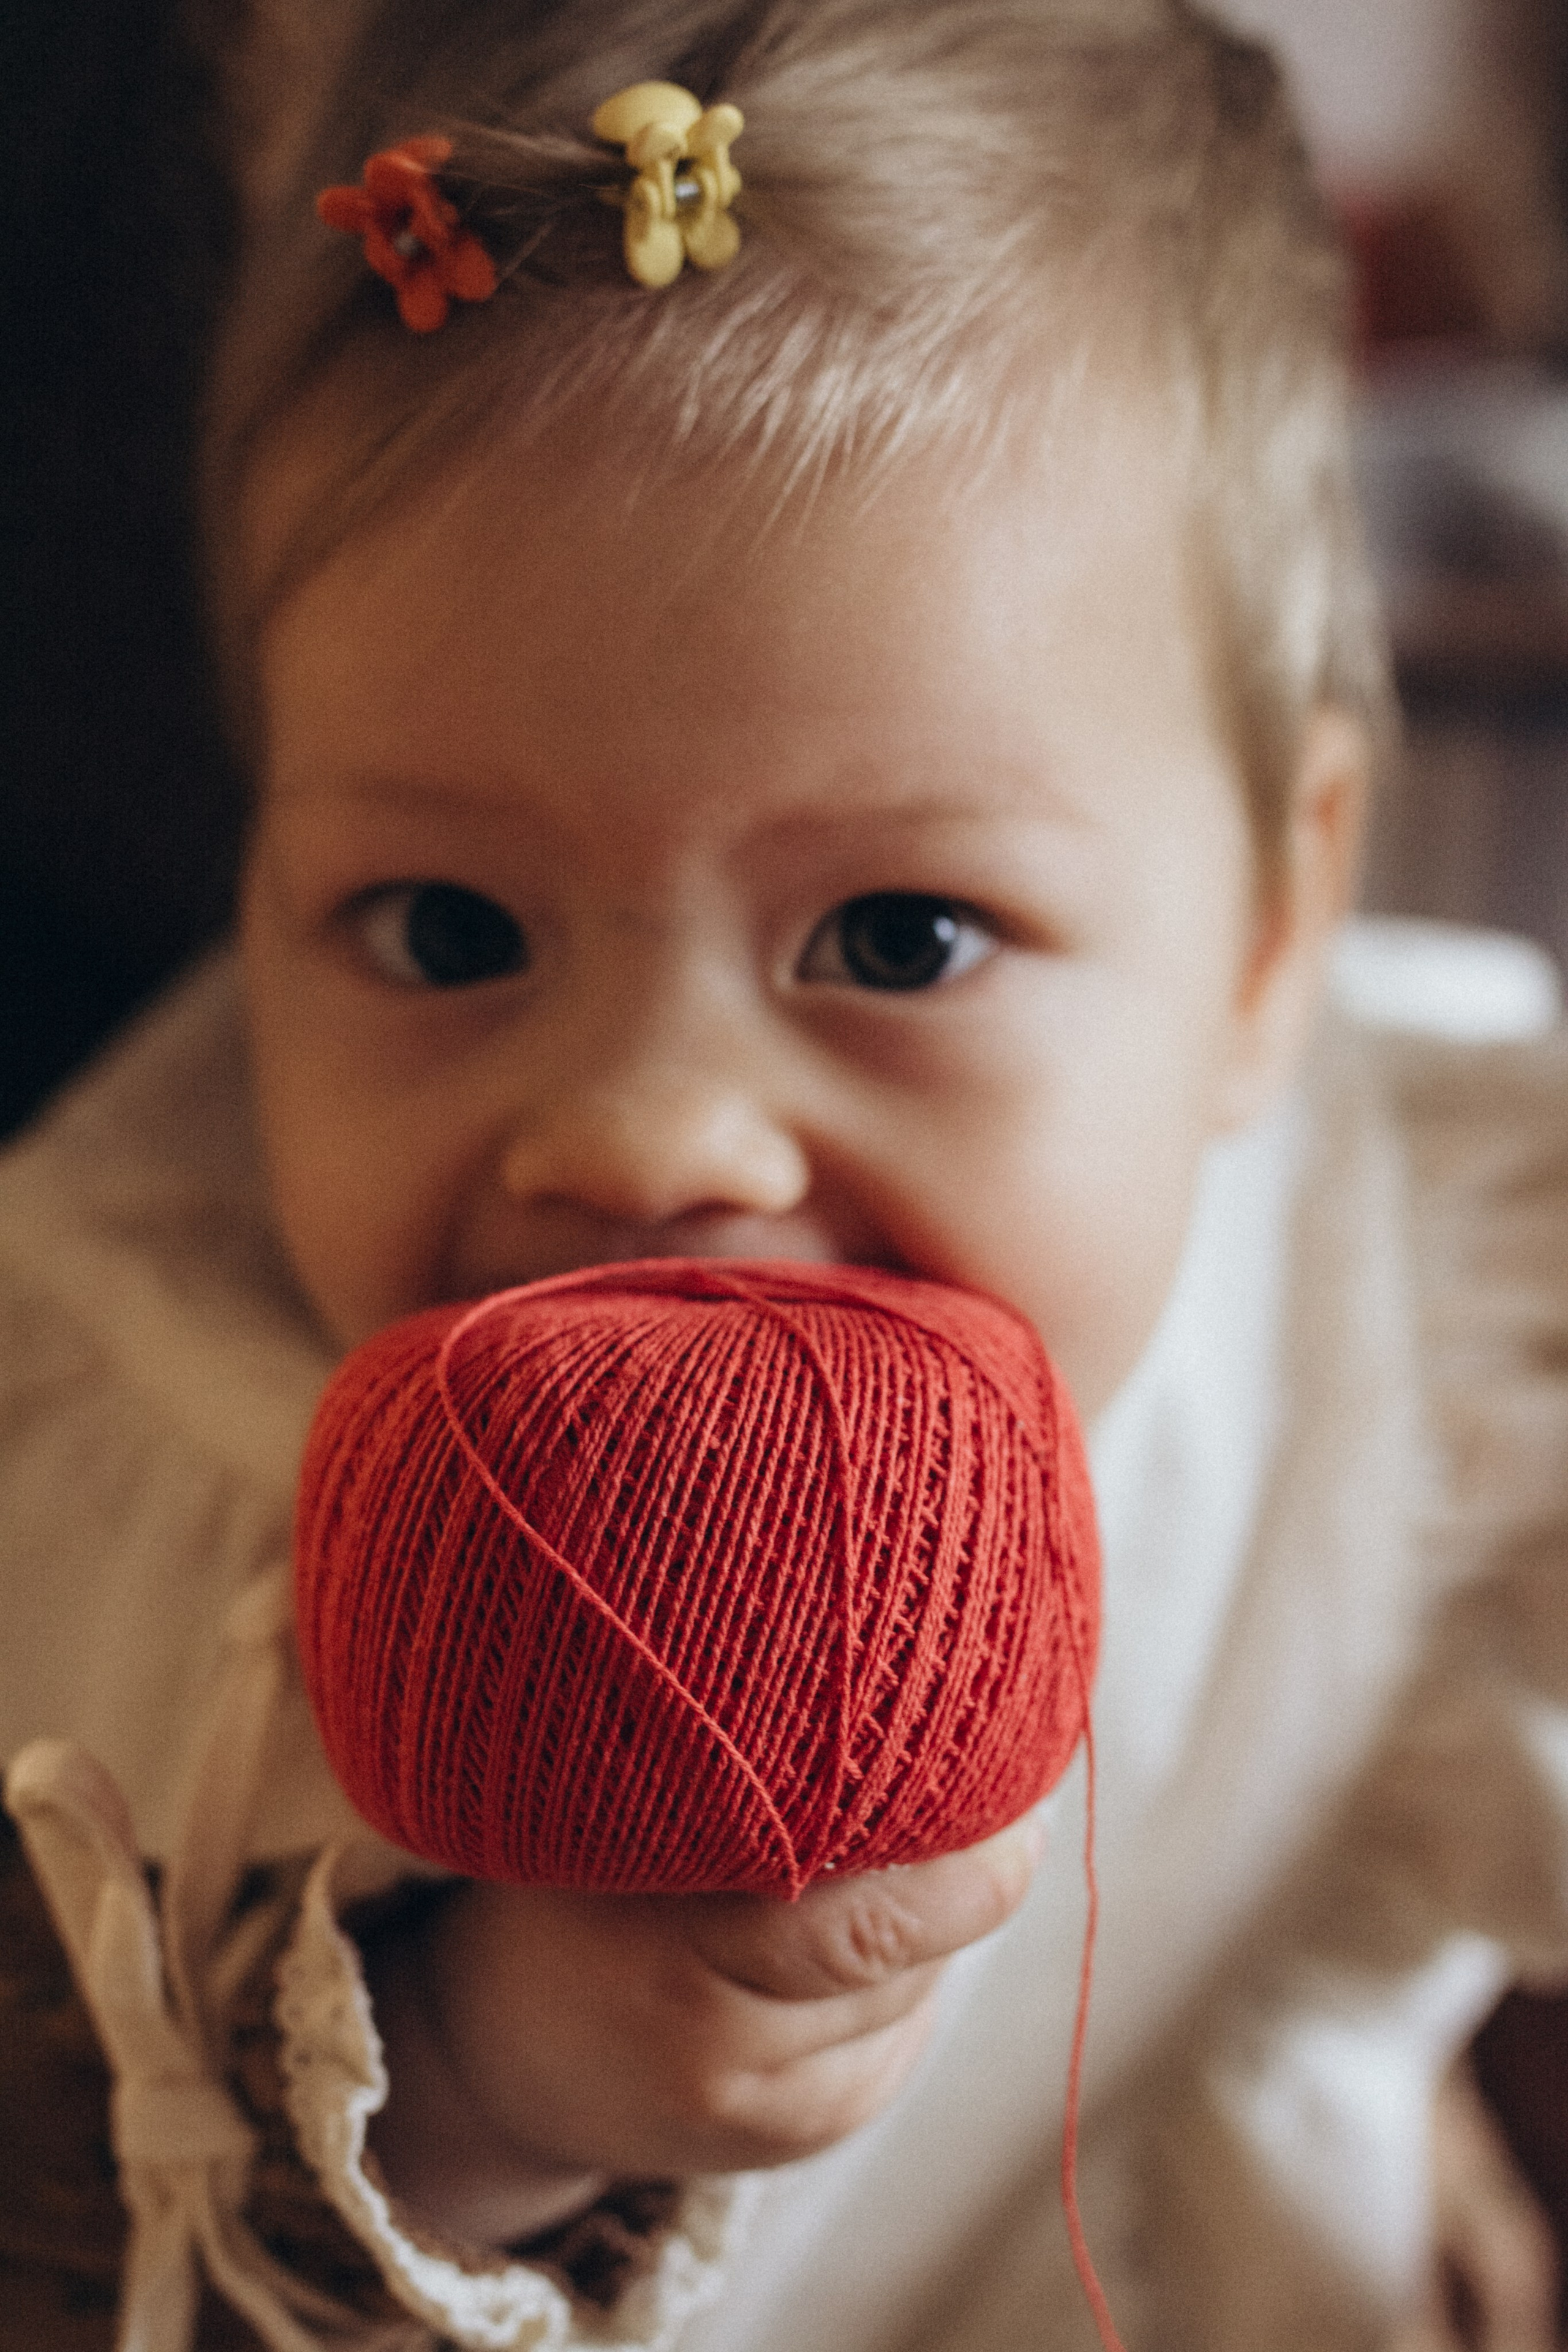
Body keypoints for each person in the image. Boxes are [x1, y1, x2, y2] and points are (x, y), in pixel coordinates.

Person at [2, 1, 1567, 2345]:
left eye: (900, 938)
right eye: (447, 932)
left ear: (1268, 933)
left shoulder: (1422, 1292)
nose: (645, 1131)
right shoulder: (105, 1439)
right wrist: (479, 2092)